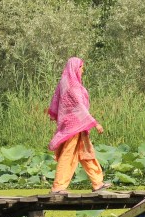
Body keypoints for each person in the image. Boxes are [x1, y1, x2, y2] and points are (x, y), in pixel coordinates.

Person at [47, 57, 111, 194]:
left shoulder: (64, 83)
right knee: (68, 155)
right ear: (76, 68)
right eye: (81, 68)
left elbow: (58, 102)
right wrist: (95, 123)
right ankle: (58, 186)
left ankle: (97, 182)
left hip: (75, 125)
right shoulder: (72, 85)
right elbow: (79, 107)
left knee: (86, 152)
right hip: (73, 126)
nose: (82, 71)